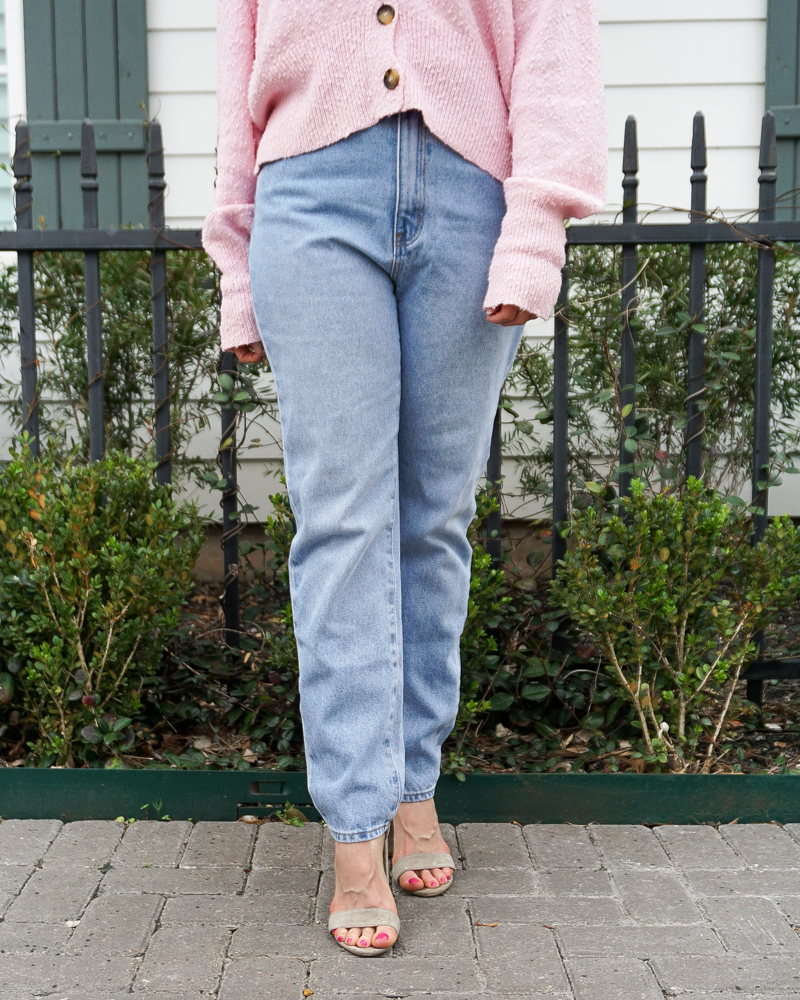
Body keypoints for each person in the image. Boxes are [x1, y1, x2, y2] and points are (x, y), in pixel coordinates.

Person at [203, 0, 606, 956]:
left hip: (471, 189)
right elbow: (236, 57)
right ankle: (353, 828)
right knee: (343, 524)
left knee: (432, 521)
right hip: (308, 190)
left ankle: (413, 785)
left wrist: (536, 225)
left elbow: (554, 40)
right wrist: (236, 263)